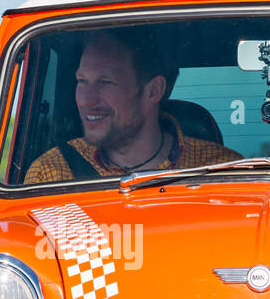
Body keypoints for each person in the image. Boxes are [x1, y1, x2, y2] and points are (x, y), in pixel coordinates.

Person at [23, 29, 240, 184]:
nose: (85, 100)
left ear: (153, 90)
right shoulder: (51, 173)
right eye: (82, 81)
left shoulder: (225, 172)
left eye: (106, 82)